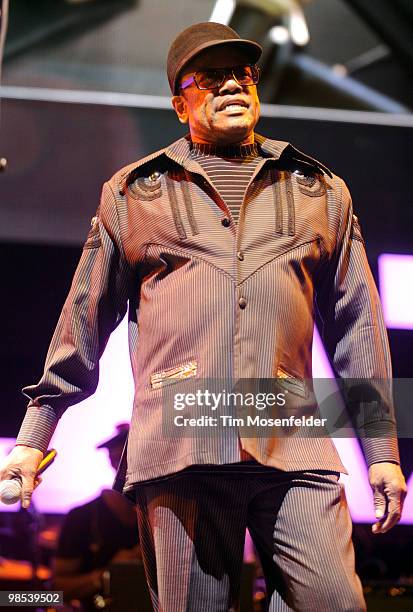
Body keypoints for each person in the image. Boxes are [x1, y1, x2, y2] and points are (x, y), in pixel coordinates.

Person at [0, 21, 407, 611]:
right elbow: (82, 323)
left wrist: (383, 452)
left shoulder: (319, 189)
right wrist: (32, 441)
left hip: (291, 441)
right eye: (209, 77)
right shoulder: (134, 193)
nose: (231, 85)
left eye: (241, 74)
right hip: (181, 447)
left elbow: (357, 328)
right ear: (178, 102)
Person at [52, 424, 141, 611]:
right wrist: (111, 573)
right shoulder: (83, 517)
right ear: (113, 459)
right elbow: (56, 591)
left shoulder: (165, 512)